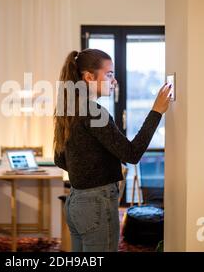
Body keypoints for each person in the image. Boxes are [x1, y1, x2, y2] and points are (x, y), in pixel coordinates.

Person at [53, 49, 171, 252]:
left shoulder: (70, 109)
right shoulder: (94, 112)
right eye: (109, 74)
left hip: (76, 203)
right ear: (89, 77)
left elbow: (59, 158)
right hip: (96, 204)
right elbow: (132, 154)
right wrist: (156, 112)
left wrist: (92, 164)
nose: (114, 81)